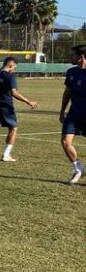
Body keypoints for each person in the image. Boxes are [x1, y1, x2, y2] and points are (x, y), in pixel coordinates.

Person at [59, 45, 86, 184]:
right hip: (74, 113)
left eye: (73, 55)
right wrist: (62, 111)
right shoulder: (71, 72)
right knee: (65, 140)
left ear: (82, 57)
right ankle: (78, 168)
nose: (70, 57)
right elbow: (67, 93)